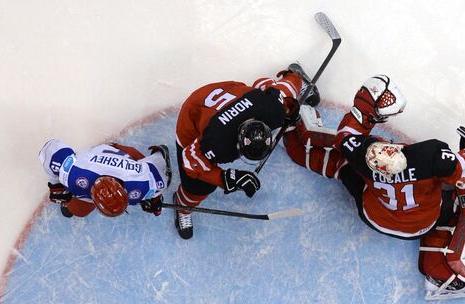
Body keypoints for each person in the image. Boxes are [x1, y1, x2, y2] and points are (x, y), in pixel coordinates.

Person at [282, 74, 465, 300]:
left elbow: (344, 137)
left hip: (374, 215)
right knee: (458, 202)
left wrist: (367, 106)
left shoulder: (363, 158)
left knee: (340, 164)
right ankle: (438, 272)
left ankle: (294, 132)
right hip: (422, 224)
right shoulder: (430, 156)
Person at [172, 62, 317, 239]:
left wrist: (293, 90)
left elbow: (282, 91)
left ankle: (290, 76)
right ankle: (183, 206)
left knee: (271, 99)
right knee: (198, 186)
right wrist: (223, 178)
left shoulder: (273, 110)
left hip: (232, 93)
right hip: (194, 112)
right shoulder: (217, 143)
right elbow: (190, 158)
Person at [39, 140, 172, 218]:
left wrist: (155, 198)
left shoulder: (143, 181)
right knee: (79, 211)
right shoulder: (75, 172)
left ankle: (158, 153)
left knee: (143, 161)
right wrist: (56, 185)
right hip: (93, 158)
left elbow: (158, 175)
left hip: (117, 156)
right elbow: (52, 150)